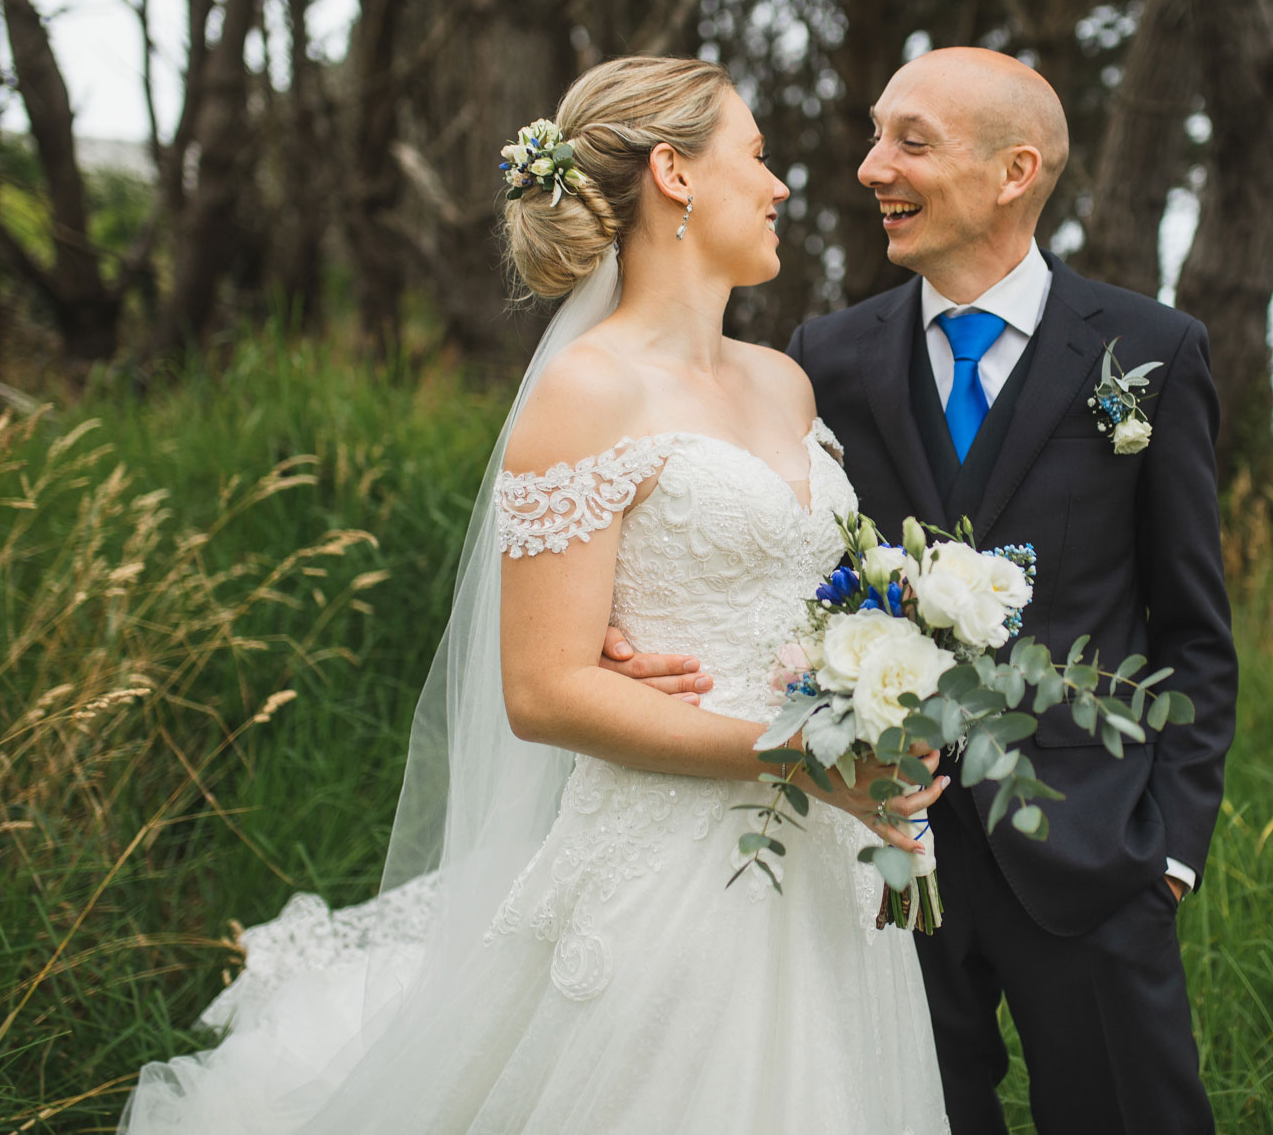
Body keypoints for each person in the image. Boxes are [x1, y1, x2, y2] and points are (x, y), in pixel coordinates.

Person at [121, 55, 951, 1133]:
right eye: (753, 155)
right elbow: (544, 691)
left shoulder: (780, 379)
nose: (781, 184)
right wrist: (792, 750)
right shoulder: (585, 391)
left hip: (822, 863)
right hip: (674, 867)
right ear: (674, 173)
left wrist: (879, 692)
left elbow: (801, 591)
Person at [611, 47, 1238, 1133]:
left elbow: (1194, 631)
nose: (868, 167)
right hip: (870, 863)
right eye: (873, 133)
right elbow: (776, 557)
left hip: (1090, 861)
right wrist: (631, 633)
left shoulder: (1149, 352)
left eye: (909, 140)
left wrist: (1167, 854)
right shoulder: (827, 355)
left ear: (1012, 171)